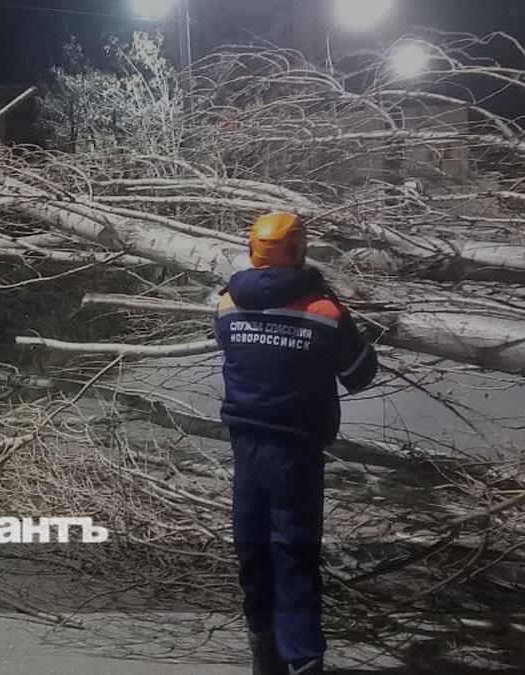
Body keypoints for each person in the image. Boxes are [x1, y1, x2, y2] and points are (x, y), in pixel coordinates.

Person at [213, 212, 378, 675]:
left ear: (253, 251)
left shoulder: (226, 304)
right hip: (296, 453)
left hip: (245, 448)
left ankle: (264, 660)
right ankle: (303, 662)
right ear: (300, 249)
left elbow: (237, 349)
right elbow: (359, 374)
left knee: (253, 552)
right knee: (295, 558)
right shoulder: (324, 311)